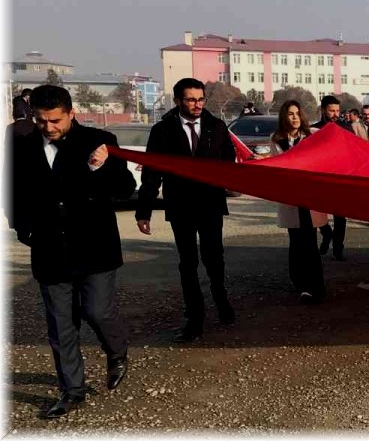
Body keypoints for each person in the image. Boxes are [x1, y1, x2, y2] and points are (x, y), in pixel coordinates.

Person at [7, 85, 134, 419]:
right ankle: (72, 390)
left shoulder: (99, 139)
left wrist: (101, 167)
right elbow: (12, 191)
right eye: (41, 120)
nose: (48, 127)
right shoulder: (20, 144)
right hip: (49, 251)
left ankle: (117, 351)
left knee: (97, 312)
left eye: (55, 120)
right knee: (61, 326)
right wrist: (23, 228)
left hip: (95, 248)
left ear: (71, 112)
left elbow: (124, 189)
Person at [136, 78, 237, 343]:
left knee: (214, 258)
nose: (197, 104)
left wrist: (233, 184)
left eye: (201, 99)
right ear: (178, 101)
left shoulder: (217, 127)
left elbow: (229, 163)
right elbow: (152, 170)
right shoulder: (163, 131)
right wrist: (143, 211)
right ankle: (195, 317)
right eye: (191, 99)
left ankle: (221, 298)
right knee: (188, 262)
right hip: (180, 206)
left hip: (211, 204)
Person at [269, 101, 326, 304]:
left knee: (310, 243)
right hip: (290, 198)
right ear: (284, 117)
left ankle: (315, 286)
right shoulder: (276, 139)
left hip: (309, 197)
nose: (294, 117)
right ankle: (301, 284)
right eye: (290, 114)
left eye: (297, 113)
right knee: (296, 243)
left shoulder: (312, 135)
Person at [313, 96, 351, 259]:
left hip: (340, 178)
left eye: (337, 111)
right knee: (316, 214)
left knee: (340, 217)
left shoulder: (346, 128)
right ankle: (327, 234)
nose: (335, 114)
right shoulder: (314, 130)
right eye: (331, 111)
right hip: (320, 178)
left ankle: (337, 248)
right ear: (323, 110)